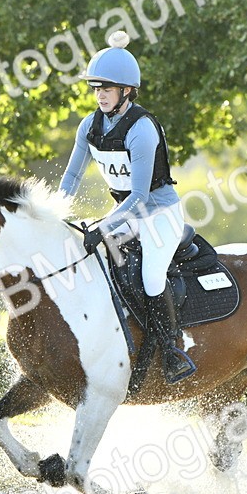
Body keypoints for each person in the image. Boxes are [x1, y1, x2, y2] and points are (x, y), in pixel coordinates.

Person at [59, 31, 197, 384]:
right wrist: (56, 212)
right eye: (96, 88)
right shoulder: (90, 126)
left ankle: (170, 350)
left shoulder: (142, 128)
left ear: (126, 91)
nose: (100, 94)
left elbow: (138, 195)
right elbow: (72, 176)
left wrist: (103, 226)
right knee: (89, 260)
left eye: (107, 88)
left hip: (159, 213)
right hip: (127, 213)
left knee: (151, 277)